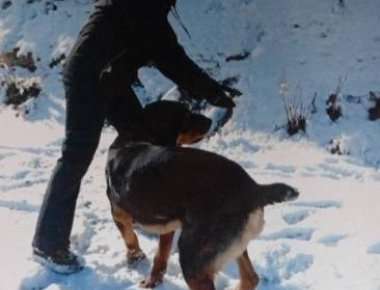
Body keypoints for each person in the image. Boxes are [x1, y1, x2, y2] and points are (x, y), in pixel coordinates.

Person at [32, 0, 237, 275]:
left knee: (141, 139)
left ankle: (146, 210)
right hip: (89, 78)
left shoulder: (150, 11)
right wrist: (211, 92)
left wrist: (211, 90)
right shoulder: (143, 8)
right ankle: (48, 243)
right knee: (76, 155)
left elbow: (167, 52)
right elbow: (171, 58)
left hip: (110, 79)